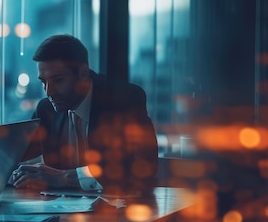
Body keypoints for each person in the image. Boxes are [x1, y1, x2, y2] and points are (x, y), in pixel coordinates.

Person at [12, 34, 158, 194]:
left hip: (121, 211)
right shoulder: (46, 109)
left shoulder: (124, 100)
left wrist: (66, 177)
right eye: (43, 82)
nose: (49, 91)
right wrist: (16, 174)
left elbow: (142, 166)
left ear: (83, 73)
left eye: (58, 80)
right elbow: (18, 157)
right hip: (63, 212)